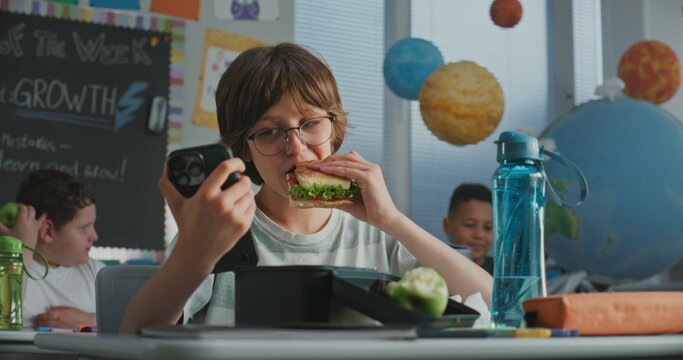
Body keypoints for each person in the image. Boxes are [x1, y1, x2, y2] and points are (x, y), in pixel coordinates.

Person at [121, 43, 492, 333]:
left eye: (311, 123)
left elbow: (496, 303)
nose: (296, 147)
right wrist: (195, 252)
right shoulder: (219, 231)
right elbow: (136, 336)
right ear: (244, 148)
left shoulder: (378, 234)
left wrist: (392, 219)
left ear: (334, 127)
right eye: (269, 132)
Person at [0, 169, 104, 329]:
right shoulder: (7, 269)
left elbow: (134, 324)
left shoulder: (97, 274)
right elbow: (4, 320)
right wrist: (22, 248)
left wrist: (89, 320)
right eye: (84, 227)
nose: (94, 236)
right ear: (47, 231)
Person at [442, 183, 494, 274]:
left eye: (488, 227)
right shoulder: (434, 267)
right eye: (469, 225)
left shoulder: (503, 273)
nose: (479, 235)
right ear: (447, 226)